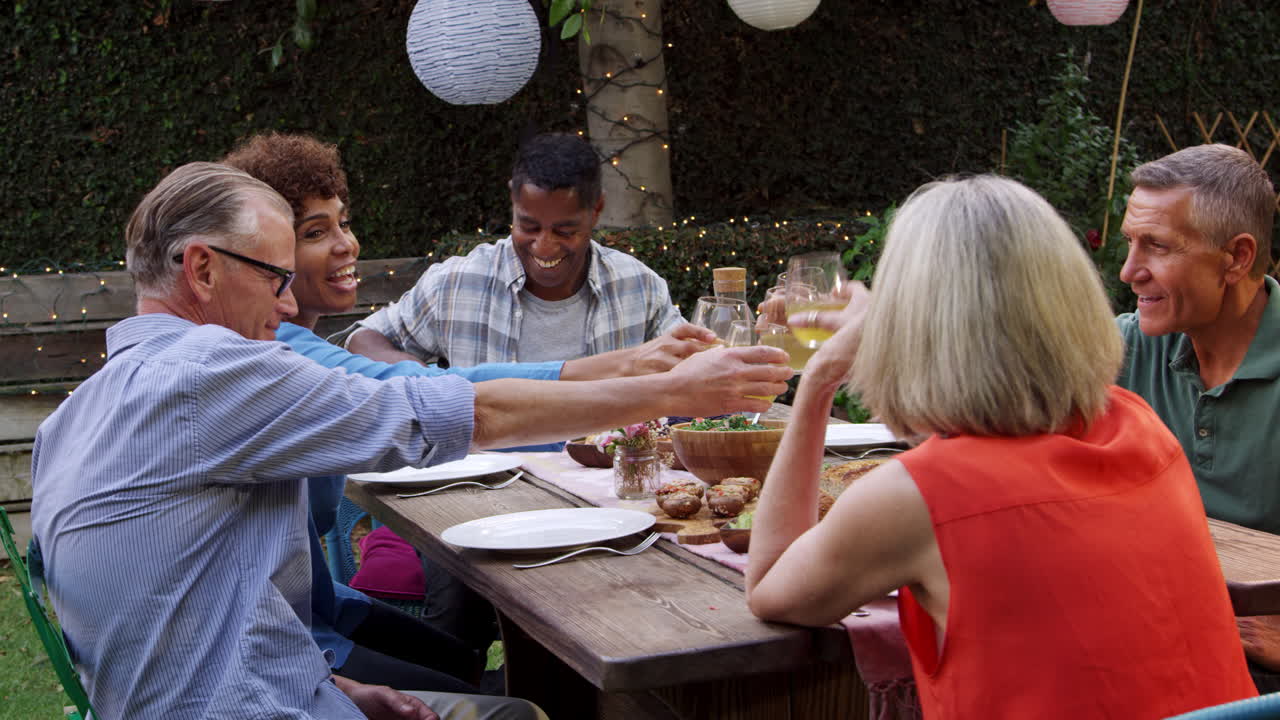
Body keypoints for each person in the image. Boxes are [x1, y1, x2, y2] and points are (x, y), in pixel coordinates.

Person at [30, 162, 790, 719]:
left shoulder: (77, 412)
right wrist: (675, 393)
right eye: (274, 277)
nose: (288, 303)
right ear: (201, 268)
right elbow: (458, 412)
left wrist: (331, 684)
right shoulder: (211, 370)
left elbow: (189, 605)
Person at [745, 175, 1255, 718]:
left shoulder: (916, 496)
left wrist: (820, 378)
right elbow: (979, 444)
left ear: (914, 325)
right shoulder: (1138, 424)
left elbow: (770, 585)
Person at [1111, 143, 1280, 688]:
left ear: (1237, 257)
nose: (1128, 271)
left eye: (1156, 246)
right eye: (1130, 244)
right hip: (1155, 638)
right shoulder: (1126, 348)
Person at [344, 133, 690, 375]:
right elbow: (362, 340)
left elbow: (691, 361)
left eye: (565, 231)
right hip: (489, 479)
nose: (544, 246)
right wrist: (425, 381)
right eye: (529, 226)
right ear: (513, 200)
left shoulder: (638, 287)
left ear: (596, 209)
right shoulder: (456, 284)